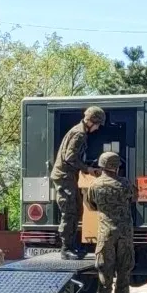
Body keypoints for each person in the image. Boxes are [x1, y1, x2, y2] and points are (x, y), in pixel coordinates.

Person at [85, 151, 138, 293]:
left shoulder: (95, 185)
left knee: (104, 274)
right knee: (124, 274)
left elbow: (91, 206)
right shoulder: (125, 184)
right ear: (117, 167)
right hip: (125, 234)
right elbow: (135, 197)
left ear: (101, 165)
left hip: (105, 234)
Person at [50, 106, 106, 260]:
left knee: (77, 210)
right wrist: (87, 168)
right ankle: (66, 249)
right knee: (70, 211)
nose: (98, 128)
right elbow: (70, 157)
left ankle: (72, 246)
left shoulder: (78, 131)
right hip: (64, 176)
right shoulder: (79, 134)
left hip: (68, 176)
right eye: (98, 124)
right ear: (92, 121)